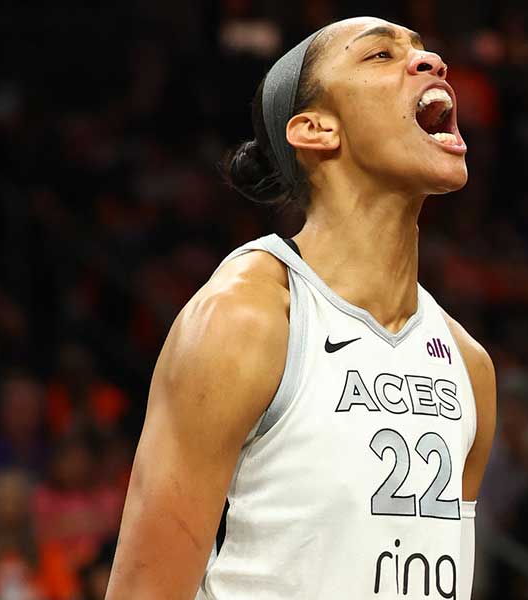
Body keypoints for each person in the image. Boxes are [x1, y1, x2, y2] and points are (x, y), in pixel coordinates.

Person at [106, 16, 496, 600]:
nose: (431, 61)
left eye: (423, 50)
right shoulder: (246, 320)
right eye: (380, 57)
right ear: (316, 130)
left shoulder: (468, 365)